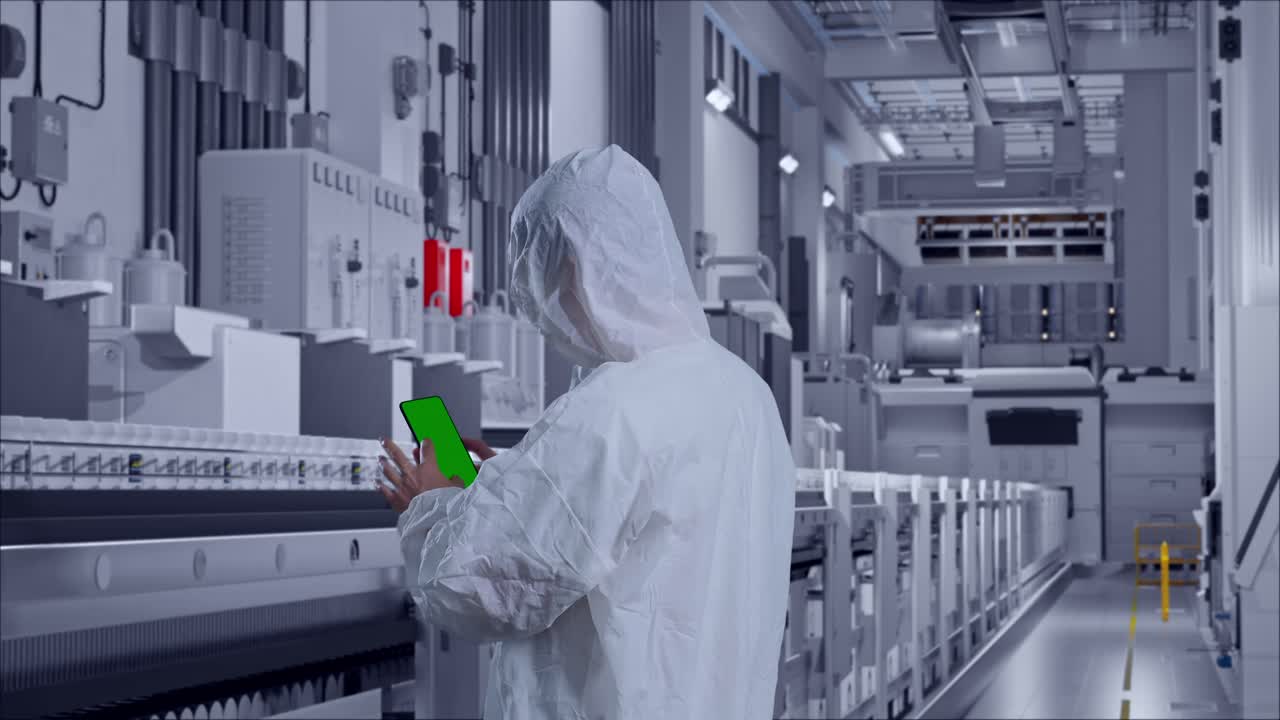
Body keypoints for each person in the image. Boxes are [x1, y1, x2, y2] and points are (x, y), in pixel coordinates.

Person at [376, 144, 796, 720]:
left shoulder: (613, 408)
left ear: (574, 265)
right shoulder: (746, 392)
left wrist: (428, 506)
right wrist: (518, 483)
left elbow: (475, 589)